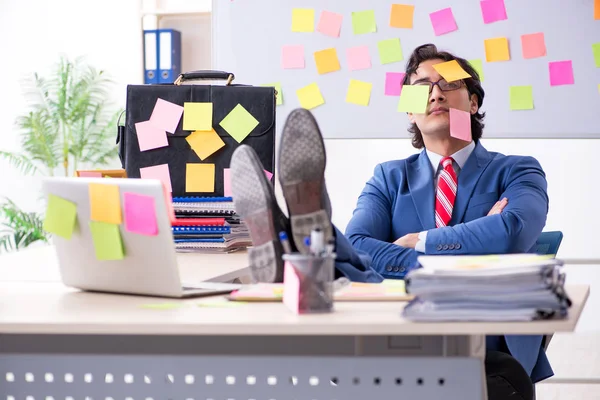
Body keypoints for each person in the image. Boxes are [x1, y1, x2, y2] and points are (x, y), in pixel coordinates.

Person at [230, 43, 549, 400]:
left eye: (449, 83)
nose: (435, 93)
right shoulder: (388, 177)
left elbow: (512, 232)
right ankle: (306, 238)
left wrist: (419, 241)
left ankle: (304, 245)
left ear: (473, 103)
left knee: (350, 263)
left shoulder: (517, 170)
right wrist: (470, 254)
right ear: (410, 112)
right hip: (398, 335)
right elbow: (361, 242)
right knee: (350, 256)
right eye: (421, 87)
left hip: (485, 346)